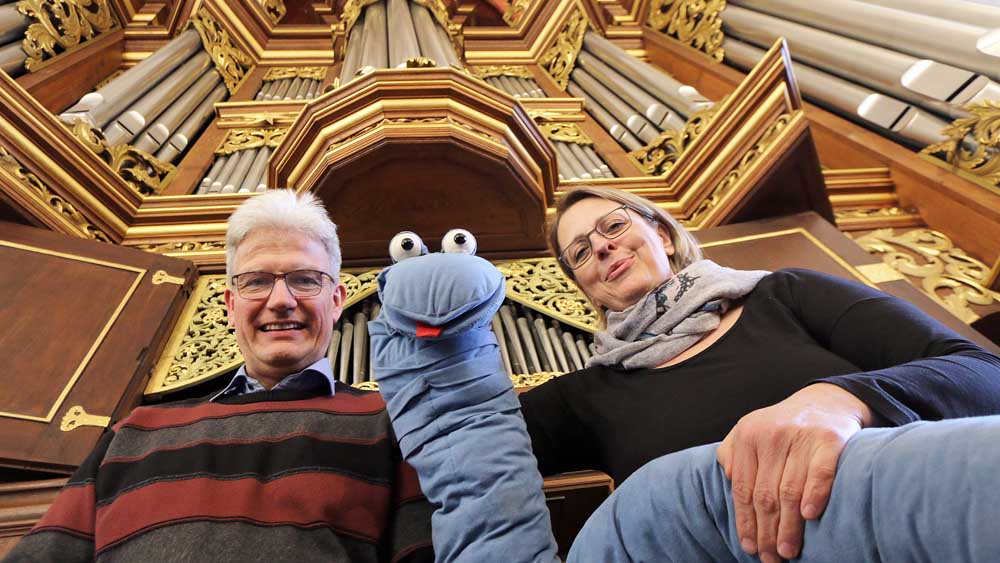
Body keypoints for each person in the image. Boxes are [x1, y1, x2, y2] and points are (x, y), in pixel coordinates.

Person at [517, 186, 1000, 561]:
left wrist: (841, 399)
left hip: (909, 531)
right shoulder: (585, 396)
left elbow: (983, 373)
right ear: (586, 287)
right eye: (579, 252)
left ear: (661, 234)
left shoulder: (786, 295)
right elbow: (460, 442)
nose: (601, 247)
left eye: (613, 226)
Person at [5, 190, 434, 562]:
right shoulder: (133, 434)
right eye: (256, 282)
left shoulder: (391, 422)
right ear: (229, 304)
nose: (281, 300)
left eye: (305, 280)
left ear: (337, 300)